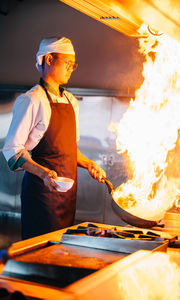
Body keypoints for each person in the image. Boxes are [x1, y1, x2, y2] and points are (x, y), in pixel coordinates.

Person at [2, 36, 106, 240]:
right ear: (49, 60)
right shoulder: (31, 100)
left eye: (73, 64)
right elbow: (12, 151)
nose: (71, 69)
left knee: (61, 251)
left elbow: (68, 149)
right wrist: (43, 174)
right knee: (39, 254)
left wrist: (88, 163)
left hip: (67, 198)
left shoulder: (71, 101)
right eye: (68, 63)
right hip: (41, 196)